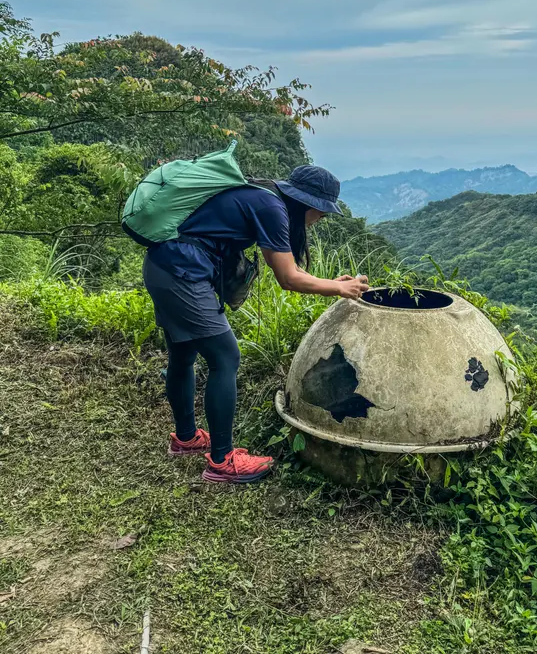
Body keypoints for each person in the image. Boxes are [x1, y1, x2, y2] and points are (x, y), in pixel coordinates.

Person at [143, 164, 369, 485]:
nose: (321, 219)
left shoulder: (263, 197)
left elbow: (289, 270)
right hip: (185, 275)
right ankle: (222, 460)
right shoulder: (272, 208)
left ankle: (186, 438)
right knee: (226, 358)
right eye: (322, 212)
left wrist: (333, 283)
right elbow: (289, 278)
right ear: (307, 204)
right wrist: (339, 288)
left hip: (163, 266)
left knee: (183, 354)